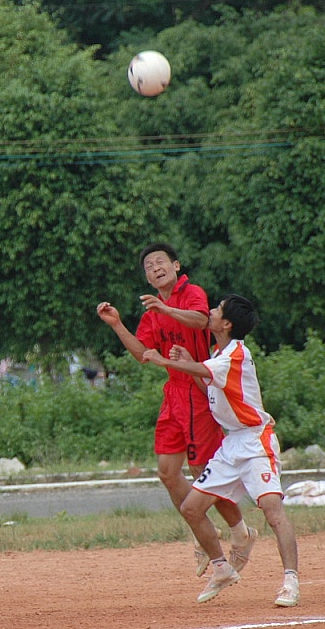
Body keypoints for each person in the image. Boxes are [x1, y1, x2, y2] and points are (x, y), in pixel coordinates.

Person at [96, 243, 256, 577]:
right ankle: (204, 531)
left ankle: (240, 531)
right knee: (168, 473)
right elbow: (143, 353)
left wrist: (165, 309)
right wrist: (117, 325)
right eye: (148, 266)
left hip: (197, 390)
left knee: (203, 473)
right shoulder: (152, 311)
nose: (155, 268)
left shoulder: (191, 293)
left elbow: (200, 320)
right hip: (174, 393)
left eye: (160, 262)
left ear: (176, 266)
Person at [143, 294, 300, 607]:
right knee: (191, 508)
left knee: (272, 512)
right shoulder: (219, 353)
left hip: (255, 441)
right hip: (231, 445)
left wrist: (166, 361)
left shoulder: (236, 354)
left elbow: (205, 372)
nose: (210, 312)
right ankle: (221, 568)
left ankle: (290, 581)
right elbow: (207, 384)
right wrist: (190, 362)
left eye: (216, 310)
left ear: (226, 324)